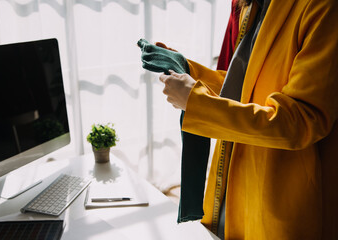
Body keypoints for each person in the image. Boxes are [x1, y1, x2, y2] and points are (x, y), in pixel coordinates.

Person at [138, 0, 338, 239]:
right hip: (231, 182)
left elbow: (301, 120)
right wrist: (190, 71)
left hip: (278, 192)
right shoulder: (251, 5)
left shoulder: (324, 7)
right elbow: (244, 88)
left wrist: (197, 103)